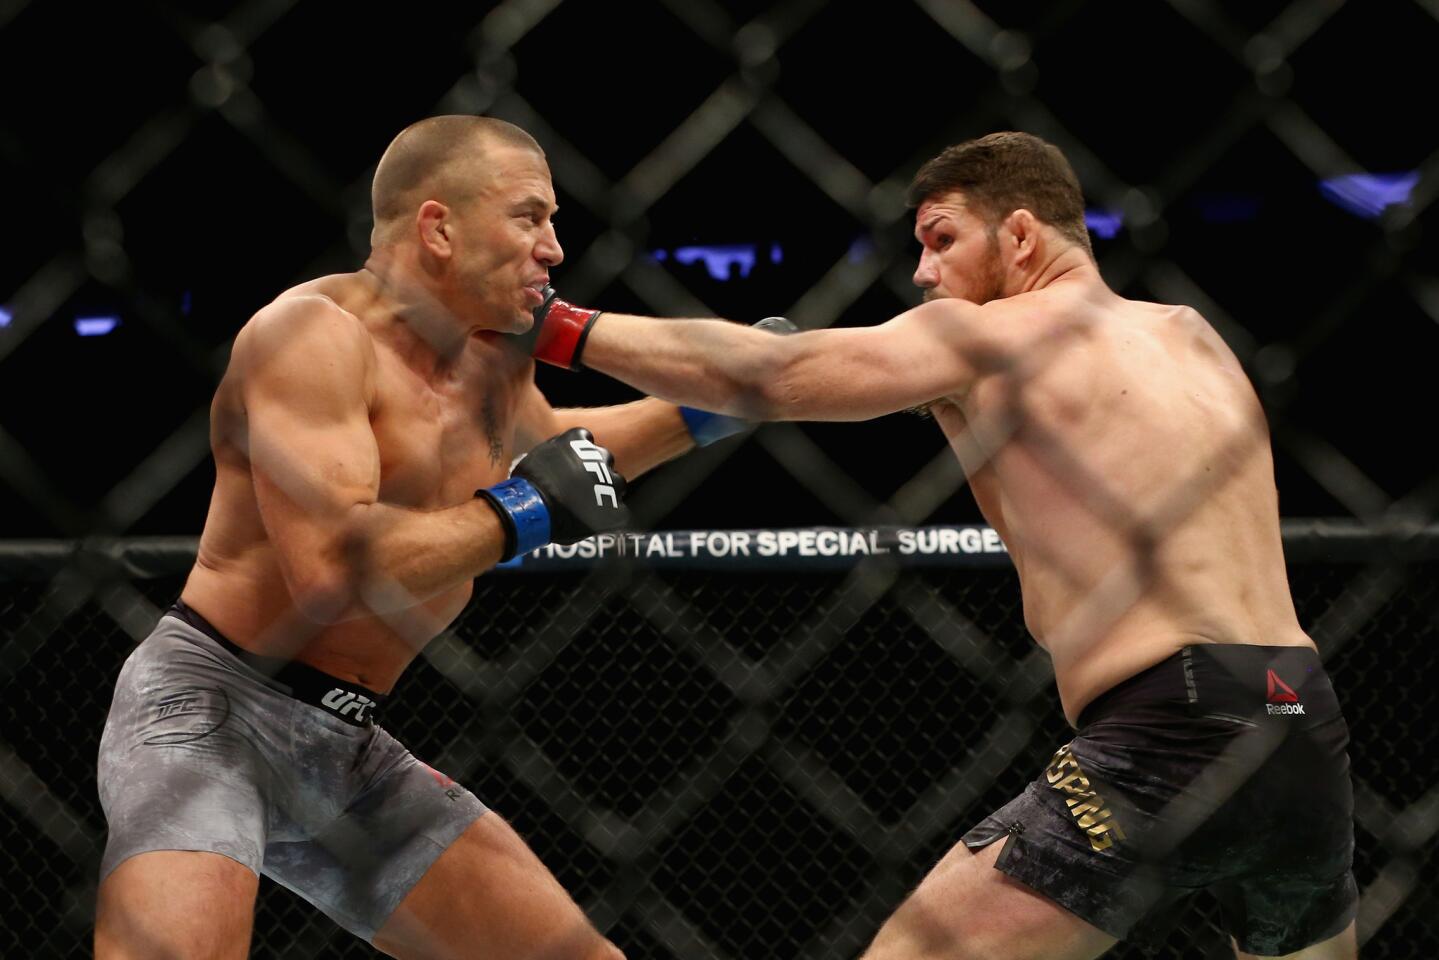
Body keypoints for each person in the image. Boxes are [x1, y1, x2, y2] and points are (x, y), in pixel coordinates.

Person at [524, 132, 1357, 959]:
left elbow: (776, 374)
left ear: (1021, 235)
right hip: (1300, 715)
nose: (922, 273)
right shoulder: (1191, 334)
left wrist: (554, 328)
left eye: (942, 239)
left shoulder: (987, 336)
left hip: (1169, 725)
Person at [93, 115, 742, 959]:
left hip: (349, 749)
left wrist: (699, 412)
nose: (552, 247)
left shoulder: (493, 359)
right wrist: (524, 512)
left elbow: (560, 457)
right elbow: (332, 570)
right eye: (528, 216)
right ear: (439, 226)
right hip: (213, 710)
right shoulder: (310, 335)